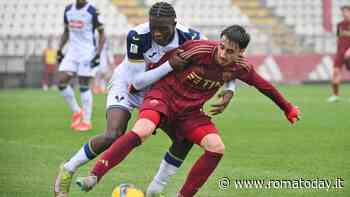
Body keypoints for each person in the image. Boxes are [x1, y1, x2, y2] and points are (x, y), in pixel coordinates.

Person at [75, 25, 300, 197]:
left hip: (190, 111)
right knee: (142, 130)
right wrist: (137, 86)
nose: (222, 53)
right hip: (163, 97)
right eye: (221, 46)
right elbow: (164, 62)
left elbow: (265, 87)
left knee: (216, 148)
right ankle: (95, 175)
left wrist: (287, 108)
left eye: (229, 51)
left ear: (240, 52)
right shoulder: (200, 49)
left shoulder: (240, 67)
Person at [54, 2, 236, 197]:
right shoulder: (137, 35)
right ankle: (68, 169)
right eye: (153, 28)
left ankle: (155, 190)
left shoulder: (191, 37)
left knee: (184, 139)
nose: (157, 34)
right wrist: (170, 65)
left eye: (163, 29)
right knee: (114, 133)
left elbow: (221, 58)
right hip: (128, 85)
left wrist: (230, 88)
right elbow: (137, 82)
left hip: (161, 92)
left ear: (175, 23)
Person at [56, 0, 105, 131]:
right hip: (72, 52)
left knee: (83, 85)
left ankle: (86, 121)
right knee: (61, 81)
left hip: (87, 52)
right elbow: (66, 31)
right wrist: (60, 49)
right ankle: (77, 111)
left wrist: (98, 54)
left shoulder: (92, 10)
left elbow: (102, 34)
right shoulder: (68, 10)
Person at [328, 5, 350, 102]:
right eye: (342, 12)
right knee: (335, 73)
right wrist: (338, 50)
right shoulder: (339, 24)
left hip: (349, 52)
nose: (343, 13)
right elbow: (338, 38)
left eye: (345, 11)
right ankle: (335, 95)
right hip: (340, 52)